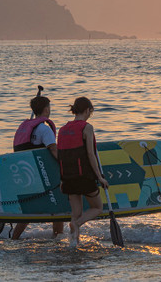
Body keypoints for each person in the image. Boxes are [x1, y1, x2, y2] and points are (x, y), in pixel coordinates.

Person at [10, 95, 64, 240]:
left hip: (25, 173)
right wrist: (65, 164)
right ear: (46, 109)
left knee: (30, 209)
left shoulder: (25, 128)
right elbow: (53, 150)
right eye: (49, 108)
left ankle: (14, 238)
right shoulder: (44, 129)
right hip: (42, 174)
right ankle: (57, 239)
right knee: (58, 207)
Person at [57, 97, 109, 247]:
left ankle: (74, 243)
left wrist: (62, 179)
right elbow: (91, 154)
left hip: (68, 178)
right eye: (90, 112)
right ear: (87, 110)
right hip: (84, 177)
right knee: (97, 207)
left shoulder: (63, 129)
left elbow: (61, 155)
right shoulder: (87, 127)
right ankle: (78, 224)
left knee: (76, 214)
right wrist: (99, 177)